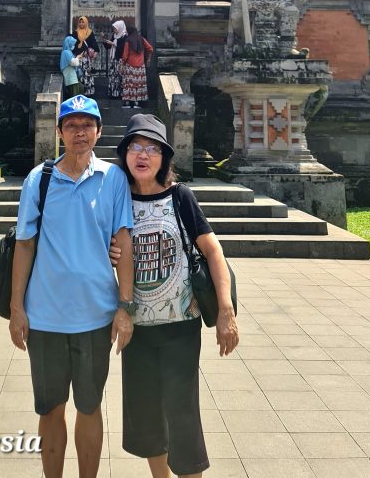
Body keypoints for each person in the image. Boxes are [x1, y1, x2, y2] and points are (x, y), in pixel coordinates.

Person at [10, 96, 136, 478]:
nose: (80, 132)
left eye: (87, 125)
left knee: (89, 406)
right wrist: (16, 308)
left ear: (98, 131)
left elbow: (124, 241)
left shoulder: (113, 178)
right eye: (72, 125)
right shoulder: (39, 179)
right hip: (45, 316)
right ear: (59, 132)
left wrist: (125, 307)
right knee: (50, 408)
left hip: (96, 315)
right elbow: (24, 244)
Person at [111, 113, 239, 478]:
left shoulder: (180, 197)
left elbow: (213, 251)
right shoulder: (116, 202)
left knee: (182, 414)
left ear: (164, 157)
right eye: (136, 146)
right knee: (147, 416)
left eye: (152, 148)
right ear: (125, 154)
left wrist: (226, 311)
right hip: (137, 328)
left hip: (181, 326)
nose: (143, 155)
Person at [120, 25, 153, 109]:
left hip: (130, 66)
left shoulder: (128, 40)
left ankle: (129, 103)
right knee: (139, 85)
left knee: (130, 85)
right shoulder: (141, 39)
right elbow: (150, 48)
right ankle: (138, 103)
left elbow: (125, 55)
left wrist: (122, 64)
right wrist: (148, 58)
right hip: (141, 67)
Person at [71, 15, 100, 96]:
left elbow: (94, 44)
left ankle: (89, 91)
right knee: (79, 74)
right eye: (80, 22)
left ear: (86, 23)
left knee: (87, 74)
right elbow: (73, 45)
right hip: (79, 57)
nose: (81, 24)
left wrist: (91, 51)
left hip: (87, 58)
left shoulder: (89, 32)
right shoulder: (75, 33)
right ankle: (79, 91)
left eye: (83, 22)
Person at [104, 19, 127, 100]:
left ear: (120, 28)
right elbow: (108, 46)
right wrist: (105, 40)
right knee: (113, 77)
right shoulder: (114, 36)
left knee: (120, 77)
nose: (114, 30)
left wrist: (113, 44)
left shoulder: (124, 36)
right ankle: (114, 93)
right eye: (113, 28)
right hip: (114, 60)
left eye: (115, 28)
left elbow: (123, 49)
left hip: (120, 60)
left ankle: (121, 94)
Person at [59, 34, 83, 99]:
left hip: (72, 78)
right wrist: (78, 57)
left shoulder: (68, 52)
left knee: (80, 88)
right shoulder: (66, 52)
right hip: (71, 79)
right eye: (73, 44)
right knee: (75, 96)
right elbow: (74, 63)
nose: (74, 45)